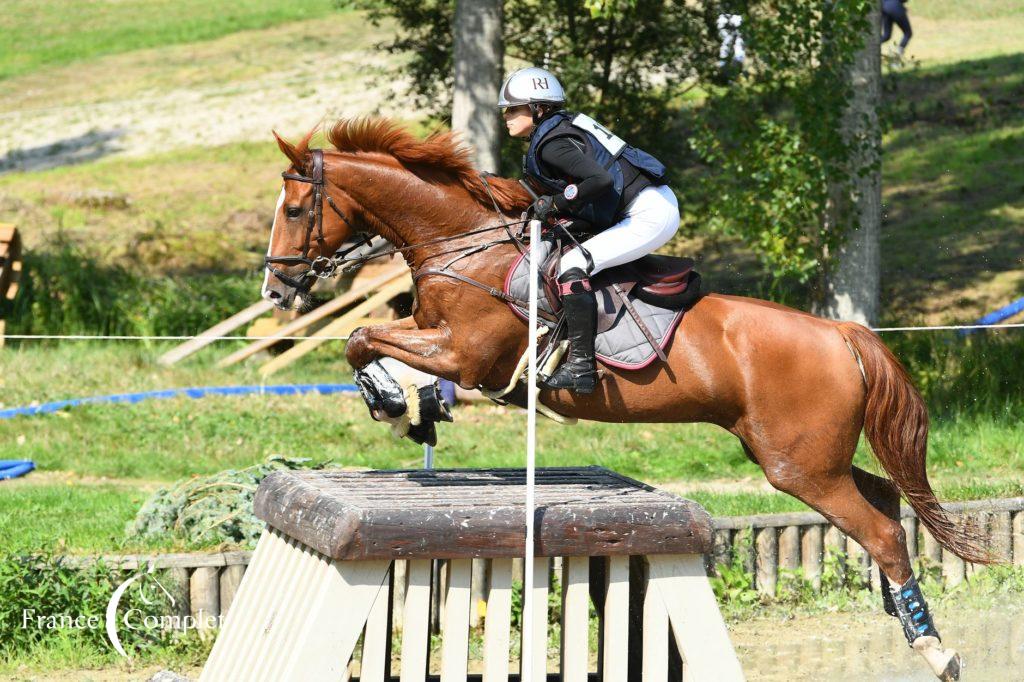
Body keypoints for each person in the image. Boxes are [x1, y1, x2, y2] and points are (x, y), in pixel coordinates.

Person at [498, 67, 680, 394]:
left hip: (649, 213)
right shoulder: (557, 130)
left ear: (538, 108)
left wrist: (554, 203)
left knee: (572, 266)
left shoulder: (553, 144)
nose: (506, 116)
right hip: (638, 205)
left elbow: (601, 181)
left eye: (513, 108)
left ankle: (582, 367)